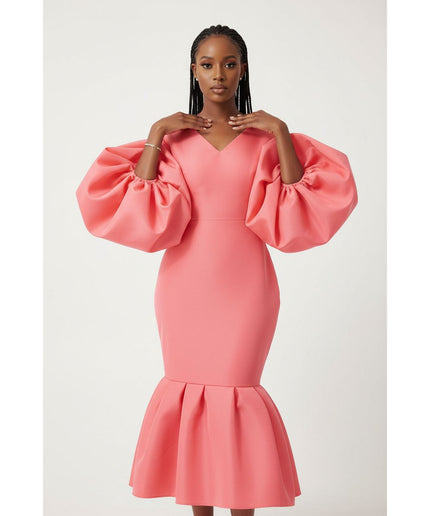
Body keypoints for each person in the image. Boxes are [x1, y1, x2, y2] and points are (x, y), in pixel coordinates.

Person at [75, 24, 358, 516]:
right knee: (190, 396)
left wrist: (280, 131)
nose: (218, 74)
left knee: (237, 392)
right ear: (194, 71)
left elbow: (296, 200)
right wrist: (157, 134)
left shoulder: (265, 138)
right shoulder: (175, 141)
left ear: (242, 70)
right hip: (185, 284)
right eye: (207, 65)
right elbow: (141, 202)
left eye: (229, 64)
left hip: (247, 284)